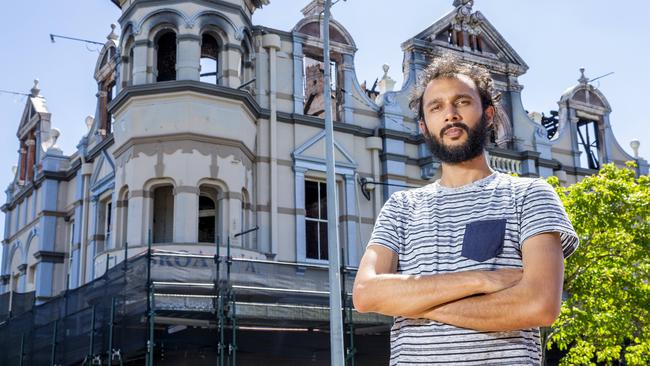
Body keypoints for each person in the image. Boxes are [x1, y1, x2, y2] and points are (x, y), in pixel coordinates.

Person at [352, 54, 579, 365]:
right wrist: (481, 281)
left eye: (462, 102)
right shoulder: (400, 207)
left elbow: (539, 305)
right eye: (436, 107)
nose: (450, 115)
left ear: (487, 115)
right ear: (424, 125)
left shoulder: (530, 195)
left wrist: (413, 303)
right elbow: (366, 293)